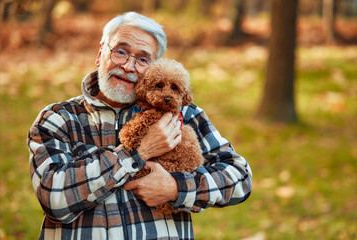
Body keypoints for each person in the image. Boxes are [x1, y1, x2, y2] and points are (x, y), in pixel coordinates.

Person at [27, 12, 252, 240]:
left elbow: (240, 177)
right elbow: (54, 199)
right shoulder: (58, 118)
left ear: (154, 68)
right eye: (120, 52)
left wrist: (176, 188)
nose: (128, 66)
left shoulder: (182, 114)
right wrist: (138, 151)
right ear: (99, 54)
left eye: (143, 59)